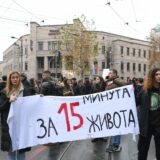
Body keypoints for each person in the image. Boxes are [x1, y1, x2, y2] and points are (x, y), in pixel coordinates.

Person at [0, 71, 35, 160]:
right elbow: (1, 107)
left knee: (21, 153)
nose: (15, 79)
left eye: (17, 77)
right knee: (11, 153)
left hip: (22, 125)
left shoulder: (26, 90)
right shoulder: (4, 92)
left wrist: (40, 99)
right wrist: (9, 101)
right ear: (9, 79)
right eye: (13, 77)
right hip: (9, 125)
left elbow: (31, 105)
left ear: (20, 79)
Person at [136, 68, 160, 160]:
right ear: (152, 76)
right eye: (157, 74)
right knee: (142, 151)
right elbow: (135, 102)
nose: (159, 76)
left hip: (158, 125)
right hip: (146, 125)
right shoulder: (144, 90)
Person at [105, 69, 127, 153]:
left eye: (110, 73)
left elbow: (125, 85)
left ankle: (116, 145)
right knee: (114, 126)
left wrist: (114, 80)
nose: (109, 74)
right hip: (111, 107)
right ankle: (114, 143)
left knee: (117, 126)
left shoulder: (118, 80)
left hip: (118, 107)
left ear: (114, 74)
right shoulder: (108, 82)